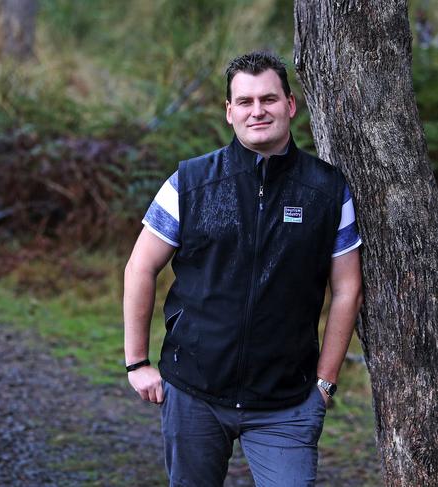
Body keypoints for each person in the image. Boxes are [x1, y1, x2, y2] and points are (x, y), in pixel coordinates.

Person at [123, 51, 363, 486]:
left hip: (286, 402)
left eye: (269, 99)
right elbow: (140, 266)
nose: (258, 111)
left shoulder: (327, 190)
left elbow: (347, 290)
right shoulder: (190, 183)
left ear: (290, 105)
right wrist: (136, 362)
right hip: (194, 392)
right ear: (229, 111)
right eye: (246, 101)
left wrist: (325, 383)